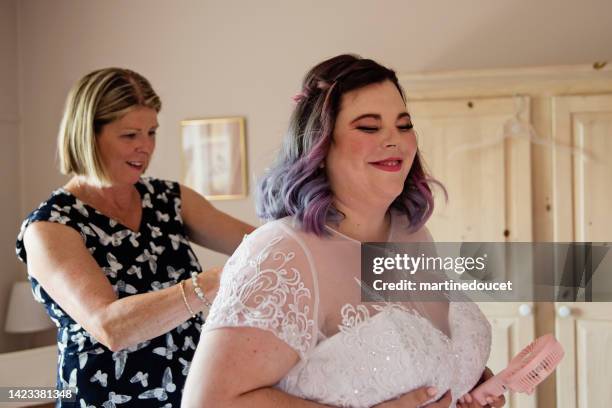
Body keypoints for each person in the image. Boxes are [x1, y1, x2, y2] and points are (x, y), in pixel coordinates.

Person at [182, 54, 505, 408]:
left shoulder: (413, 234)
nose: (394, 139)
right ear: (320, 146)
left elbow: (428, 353)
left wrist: (467, 383)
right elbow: (207, 402)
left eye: (404, 124)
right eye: (369, 127)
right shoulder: (282, 252)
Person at [15, 68, 255, 407]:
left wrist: (354, 232)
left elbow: (266, 245)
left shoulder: (168, 199)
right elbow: (111, 327)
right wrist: (213, 282)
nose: (145, 147)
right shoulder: (50, 227)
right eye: (130, 135)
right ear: (88, 135)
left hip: (187, 396)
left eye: (152, 132)